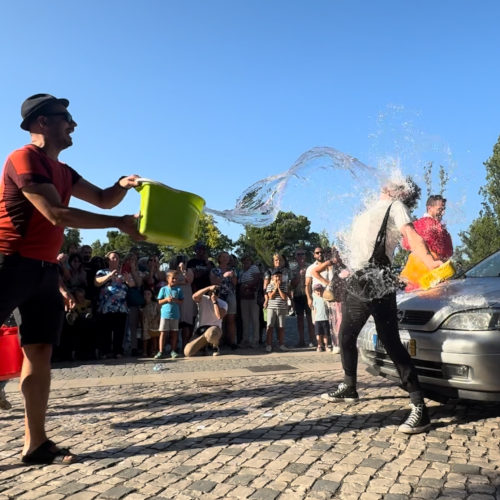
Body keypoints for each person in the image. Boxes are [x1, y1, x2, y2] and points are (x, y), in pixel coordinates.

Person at [0, 93, 144, 465]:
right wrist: (117, 225)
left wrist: (123, 184)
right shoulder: (23, 158)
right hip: (8, 263)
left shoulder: (65, 171)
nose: (73, 124)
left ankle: (35, 444)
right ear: (41, 122)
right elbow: (56, 214)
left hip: (46, 270)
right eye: (65, 117)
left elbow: (102, 198)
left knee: (40, 352)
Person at [321, 179, 443, 434]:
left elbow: (410, 234)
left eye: (394, 180)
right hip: (359, 279)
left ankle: (419, 408)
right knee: (346, 335)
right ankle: (349, 386)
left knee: (390, 341)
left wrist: (431, 262)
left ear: (400, 191)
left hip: (378, 278)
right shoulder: (369, 210)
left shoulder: (396, 206)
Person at [311, 246, 347, 353]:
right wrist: (328, 283)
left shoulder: (343, 263)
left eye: (338, 253)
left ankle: (343, 343)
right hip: (334, 296)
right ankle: (337, 343)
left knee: (342, 318)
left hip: (343, 294)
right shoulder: (329, 263)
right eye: (335, 253)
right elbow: (314, 272)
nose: (338, 255)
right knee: (335, 320)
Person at [185, 285, 227, 357]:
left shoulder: (223, 303)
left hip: (214, 329)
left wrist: (215, 302)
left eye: (216, 292)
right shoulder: (203, 299)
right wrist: (208, 287)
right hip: (201, 330)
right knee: (188, 352)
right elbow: (194, 296)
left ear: (219, 294)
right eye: (212, 292)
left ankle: (214, 347)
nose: (213, 294)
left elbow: (219, 316)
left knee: (211, 333)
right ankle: (205, 345)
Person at [210, 251, 238, 349]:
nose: (226, 259)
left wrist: (233, 276)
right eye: (224, 257)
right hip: (219, 296)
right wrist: (224, 276)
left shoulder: (232, 270)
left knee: (231, 319)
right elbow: (213, 282)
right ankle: (217, 341)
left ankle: (232, 342)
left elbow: (235, 283)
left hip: (230, 295)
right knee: (219, 319)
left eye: (227, 257)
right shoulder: (214, 270)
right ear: (219, 258)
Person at [155, 270, 184, 359]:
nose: (175, 280)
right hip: (165, 315)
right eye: (173, 278)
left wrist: (175, 300)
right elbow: (159, 301)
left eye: (176, 278)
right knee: (163, 333)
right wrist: (166, 299)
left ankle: (173, 350)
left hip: (175, 315)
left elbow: (181, 301)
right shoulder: (163, 289)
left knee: (174, 333)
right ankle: (160, 351)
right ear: (168, 279)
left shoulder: (179, 289)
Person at [170, 255, 196, 351]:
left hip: (186, 299)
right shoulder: (172, 272)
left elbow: (188, 280)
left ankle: (185, 346)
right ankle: (174, 346)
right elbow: (171, 282)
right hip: (175, 298)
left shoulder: (189, 271)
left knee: (186, 323)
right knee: (175, 324)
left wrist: (183, 270)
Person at [290, 248, 314, 347]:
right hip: (298, 295)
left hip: (309, 295)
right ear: (296, 257)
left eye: (302, 254)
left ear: (305, 255)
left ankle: (312, 340)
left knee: (310, 319)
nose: (301, 256)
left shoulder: (310, 267)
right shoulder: (293, 269)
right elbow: (292, 285)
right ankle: (301, 340)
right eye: (298, 254)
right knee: (299, 319)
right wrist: (299, 276)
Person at [264, 269, 291, 353]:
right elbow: (270, 296)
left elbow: (284, 297)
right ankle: (269, 344)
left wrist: (279, 288)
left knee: (281, 327)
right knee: (270, 326)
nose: (278, 278)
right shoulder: (269, 285)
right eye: (276, 276)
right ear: (272, 277)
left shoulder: (285, 285)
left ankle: (281, 344)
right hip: (271, 308)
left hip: (282, 308)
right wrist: (275, 287)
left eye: (279, 276)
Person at [238, 255, 261, 348]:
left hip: (253, 294)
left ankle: (256, 339)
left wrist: (247, 286)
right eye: (244, 260)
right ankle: (245, 339)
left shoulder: (254, 268)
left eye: (248, 260)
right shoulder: (241, 271)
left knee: (255, 318)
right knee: (245, 319)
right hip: (244, 296)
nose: (246, 262)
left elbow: (256, 279)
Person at [140, 288, 161, 357]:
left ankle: (154, 350)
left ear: (151, 295)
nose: (146, 296)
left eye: (148, 294)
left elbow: (159, 313)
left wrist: (156, 319)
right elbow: (140, 315)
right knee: (145, 338)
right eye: (145, 294)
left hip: (154, 322)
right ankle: (145, 351)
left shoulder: (155, 304)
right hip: (145, 323)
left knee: (154, 337)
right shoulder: (142, 305)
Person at [311, 284, 330, 352]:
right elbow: (314, 310)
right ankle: (319, 345)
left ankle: (326, 345)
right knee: (318, 334)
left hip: (325, 319)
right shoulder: (315, 299)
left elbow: (328, 307)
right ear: (315, 292)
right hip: (318, 319)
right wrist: (313, 319)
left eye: (320, 290)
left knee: (325, 334)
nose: (319, 292)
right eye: (317, 291)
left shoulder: (325, 298)